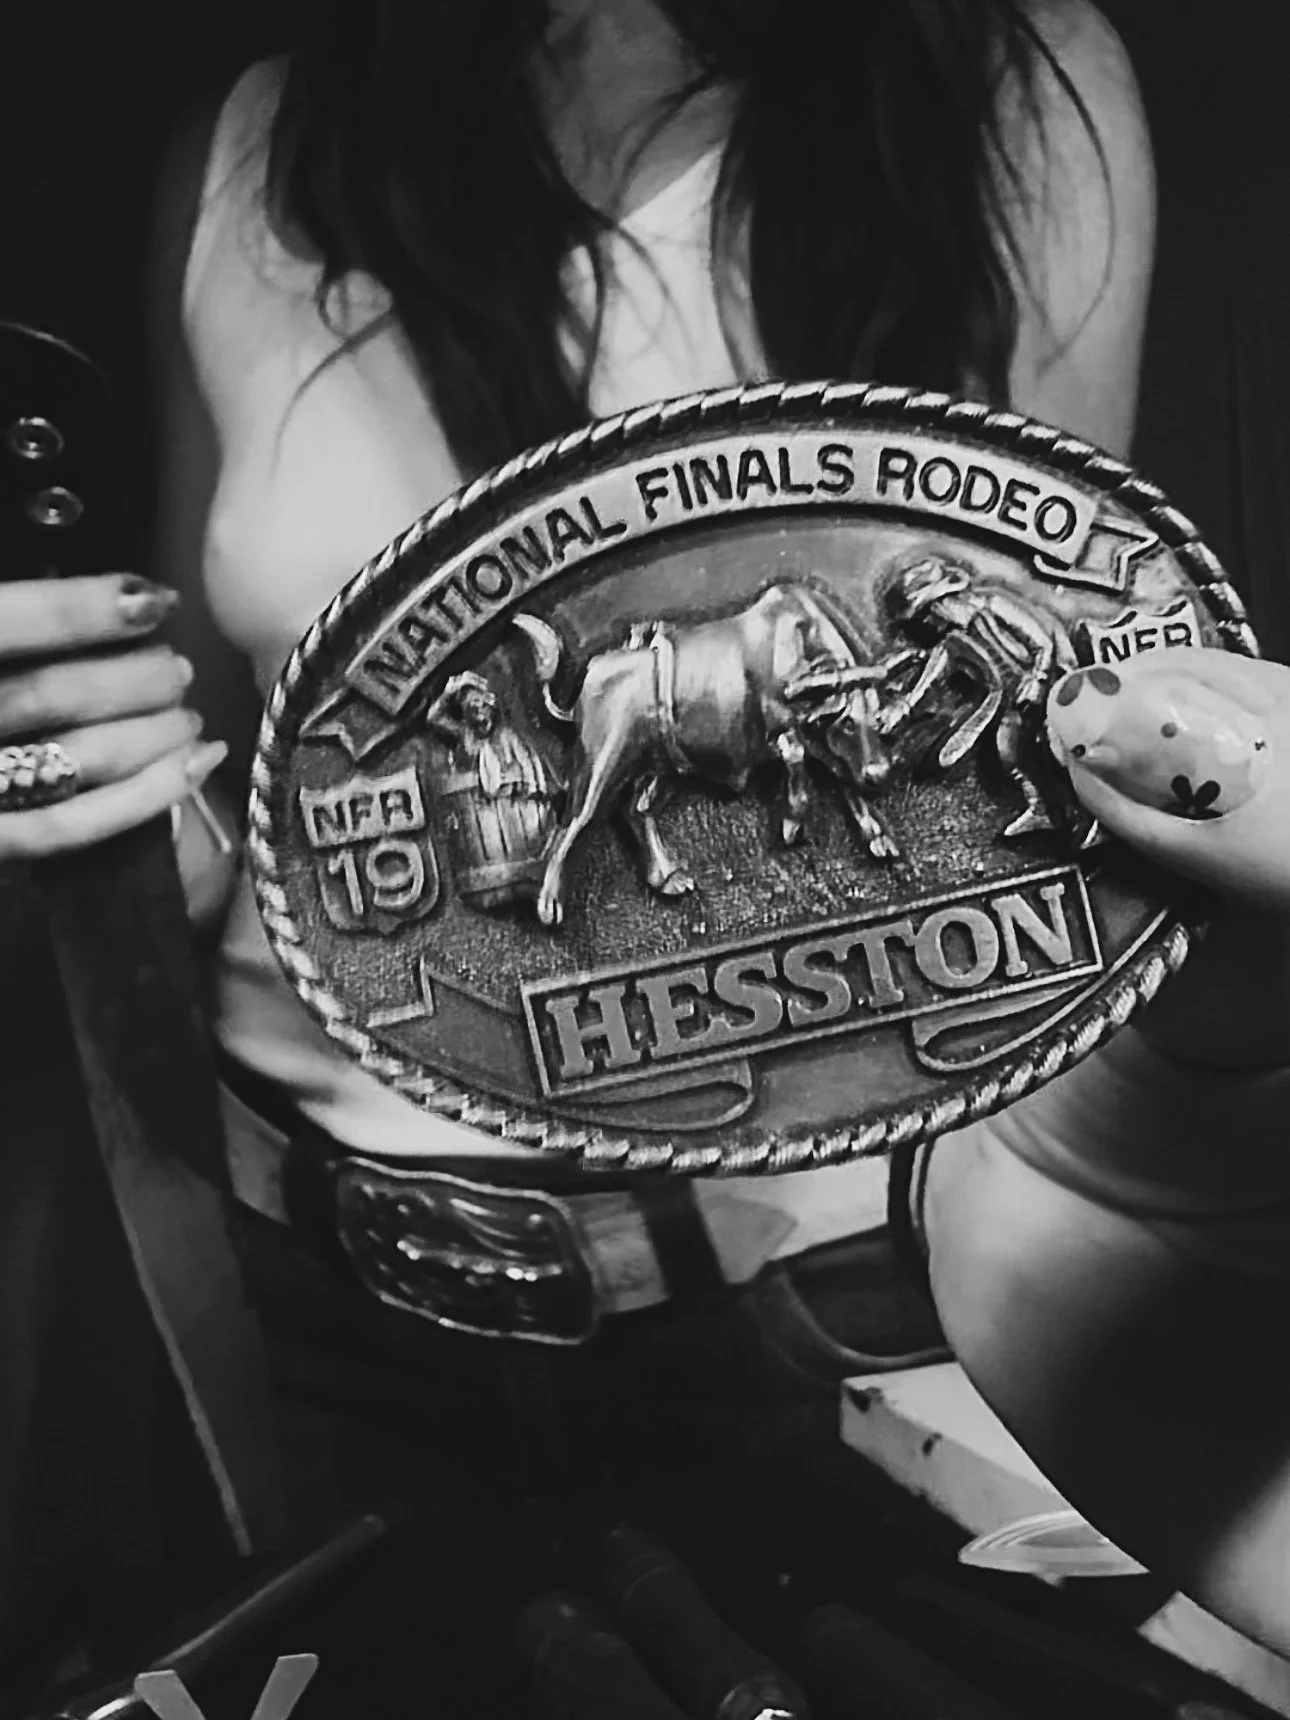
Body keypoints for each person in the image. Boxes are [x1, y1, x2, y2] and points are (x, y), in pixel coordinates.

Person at [9, 0, 1287, 1660]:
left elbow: (1044, 735)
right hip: (320, 1292)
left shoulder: (1008, 86)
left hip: (817, 1314)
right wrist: (102, 810)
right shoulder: (261, 140)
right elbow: (274, 784)